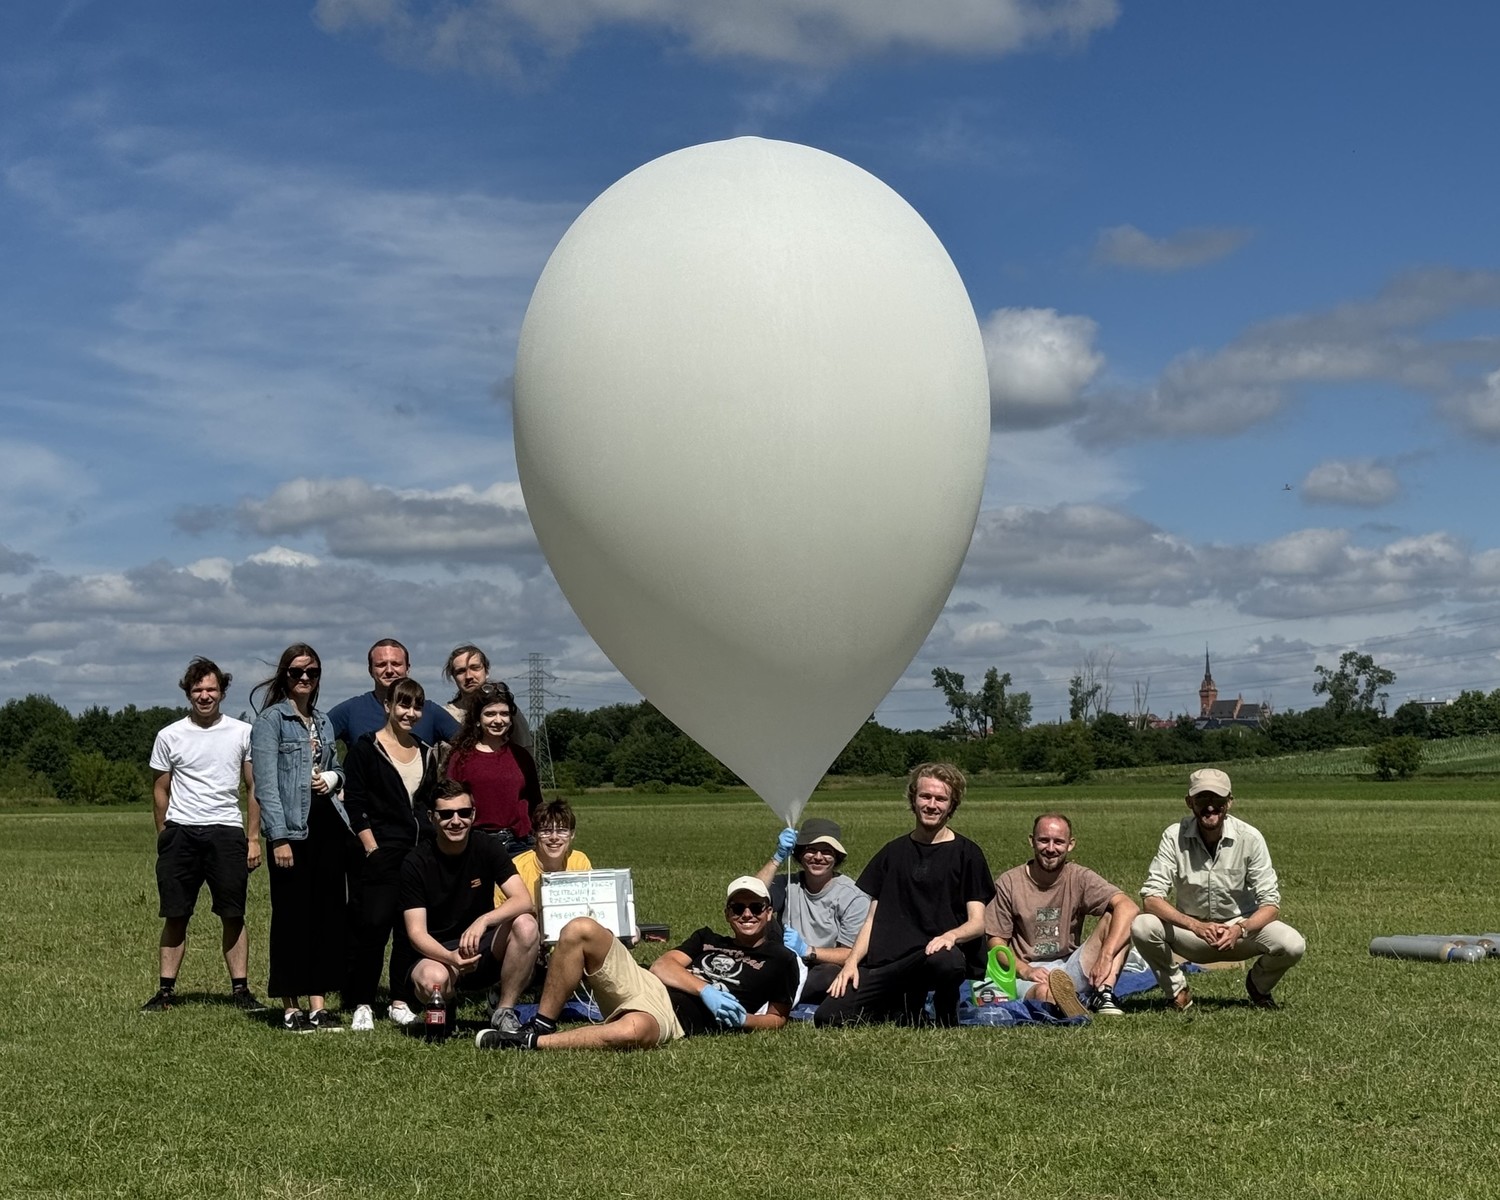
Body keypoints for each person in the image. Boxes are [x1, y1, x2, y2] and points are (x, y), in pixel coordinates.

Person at [476, 876, 796, 1051]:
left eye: (756, 907)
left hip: (673, 1017)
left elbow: (778, 1018)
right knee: (580, 928)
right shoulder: (706, 937)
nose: (747, 914)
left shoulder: (780, 959)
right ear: (727, 914)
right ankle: (543, 1022)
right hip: (646, 983)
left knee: (634, 1031)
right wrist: (706, 990)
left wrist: (745, 1020)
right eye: (738, 908)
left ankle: (530, 1041)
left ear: (769, 912)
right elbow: (662, 967)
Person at [815, 763, 993, 1028]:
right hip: (890, 963)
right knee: (828, 1017)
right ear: (913, 799)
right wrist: (851, 963)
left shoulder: (967, 854)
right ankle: (902, 1005)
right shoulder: (892, 853)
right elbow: (871, 919)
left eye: (941, 799)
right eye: (925, 796)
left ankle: (945, 1011)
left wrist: (950, 936)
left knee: (948, 959)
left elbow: (977, 923)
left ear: (951, 805)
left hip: (935, 957)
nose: (931, 805)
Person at [142, 657, 262, 1012]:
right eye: (197, 690)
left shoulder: (243, 732)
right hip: (181, 833)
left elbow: (253, 787)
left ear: (222, 692)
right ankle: (166, 992)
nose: (205, 696)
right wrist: (164, 835)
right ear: (188, 693)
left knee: (233, 913)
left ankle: (240, 990)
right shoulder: (169, 735)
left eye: (211, 689)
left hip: (226, 831)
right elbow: (160, 789)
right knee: (176, 913)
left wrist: (253, 838)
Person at [1131, 768, 1306, 1011]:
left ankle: (1259, 985)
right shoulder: (1174, 836)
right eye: (1202, 798)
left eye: (1217, 798)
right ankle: (1177, 991)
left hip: (1241, 933)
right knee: (1142, 925)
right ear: (1189, 802)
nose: (1210, 806)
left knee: (1293, 944)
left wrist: (1240, 929)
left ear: (1229, 802)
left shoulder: (1250, 838)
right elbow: (1151, 899)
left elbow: (1271, 905)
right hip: (1191, 933)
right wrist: (1195, 926)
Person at [251, 643, 350, 1031]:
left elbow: (337, 765)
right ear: (284, 676)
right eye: (296, 672)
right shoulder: (271, 721)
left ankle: (318, 1005)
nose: (305, 678)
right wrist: (278, 837)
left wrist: (333, 777)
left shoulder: (323, 721)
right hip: (292, 828)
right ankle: (291, 1007)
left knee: (326, 915)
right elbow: (266, 784)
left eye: (312, 672)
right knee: (292, 917)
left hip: (327, 825)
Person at [401, 780, 540, 1035]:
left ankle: (504, 1011)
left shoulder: (487, 846)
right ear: (432, 817)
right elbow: (416, 933)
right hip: (438, 953)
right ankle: (447, 1002)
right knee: (433, 980)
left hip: (483, 946)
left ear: (473, 815)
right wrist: (451, 958)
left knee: (526, 924)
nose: (456, 821)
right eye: (446, 814)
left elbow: (523, 900)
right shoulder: (415, 862)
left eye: (464, 813)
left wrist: (483, 920)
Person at [342, 676, 440, 1031]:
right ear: (388, 706)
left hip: (419, 855)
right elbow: (355, 804)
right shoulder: (366, 749)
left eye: (417, 706)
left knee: (409, 931)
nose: (410, 713)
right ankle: (362, 1002)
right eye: (403, 704)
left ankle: (400, 1000)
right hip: (380, 853)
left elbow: (429, 803)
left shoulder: (426, 751)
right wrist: (371, 847)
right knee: (373, 929)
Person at [983, 812, 1140, 1018]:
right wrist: (1025, 971)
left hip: (1069, 964)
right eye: (1043, 840)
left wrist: (1106, 956)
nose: (1050, 849)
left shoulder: (1079, 877)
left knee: (1118, 917)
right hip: (1028, 971)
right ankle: (1067, 1002)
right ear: (1031, 841)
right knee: (1043, 993)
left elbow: (1129, 907)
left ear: (1070, 844)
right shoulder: (1009, 883)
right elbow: (995, 943)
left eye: (1058, 842)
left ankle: (1103, 994)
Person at [754, 817, 870, 1006]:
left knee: (829, 975)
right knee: (757, 917)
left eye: (827, 852)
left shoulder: (853, 896)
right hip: (785, 960)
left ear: (837, 857)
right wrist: (777, 857)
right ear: (800, 854)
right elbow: (750, 895)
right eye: (811, 850)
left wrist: (807, 950)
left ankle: (768, 994)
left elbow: (850, 954)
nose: (818, 857)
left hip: (822, 966)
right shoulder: (788, 883)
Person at [444, 682, 541, 851]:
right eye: (490, 714)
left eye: (504, 714)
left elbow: (536, 803)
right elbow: (450, 802)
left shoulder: (522, 757)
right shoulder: (460, 758)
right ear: (477, 719)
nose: (498, 720)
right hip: (477, 843)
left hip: (520, 843)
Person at [328, 638, 459, 749]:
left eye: (396, 664)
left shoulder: (430, 711)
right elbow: (317, 741)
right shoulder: (351, 711)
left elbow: (468, 745)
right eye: (381, 665)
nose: (389, 670)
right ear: (370, 670)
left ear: (407, 668)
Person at [440, 643, 533, 749]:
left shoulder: (506, 711)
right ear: (453, 677)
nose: (469, 676)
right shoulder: (443, 715)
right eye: (461, 671)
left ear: (486, 671)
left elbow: (525, 750)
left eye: (475, 668)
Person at [510, 797, 592, 914]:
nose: (554, 837)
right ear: (535, 834)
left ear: (572, 834)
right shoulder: (517, 868)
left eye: (561, 830)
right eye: (546, 831)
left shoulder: (579, 862)